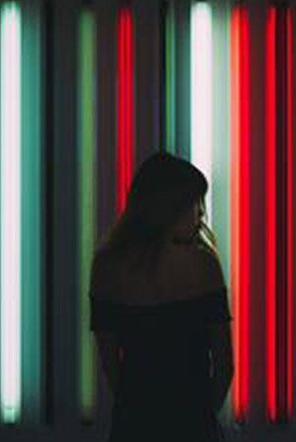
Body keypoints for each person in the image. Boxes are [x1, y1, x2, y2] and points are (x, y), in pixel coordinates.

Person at [89, 152, 234, 442]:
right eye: (196, 203)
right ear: (172, 208)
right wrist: (203, 413)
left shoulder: (106, 267)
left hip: (134, 421)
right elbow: (224, 362)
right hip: (194, 422)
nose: (201, 213)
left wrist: (137, 406)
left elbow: (109, 361)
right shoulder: (204, 265)